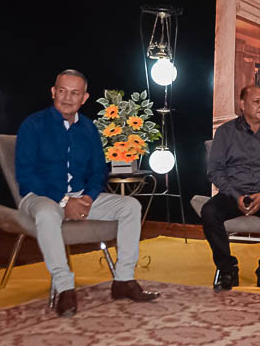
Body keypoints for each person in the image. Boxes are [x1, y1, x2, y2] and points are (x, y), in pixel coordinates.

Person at [16, 69, 160, 318]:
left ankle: (123, 280)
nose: (67, 98)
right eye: (62, 91)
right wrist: (64, 201)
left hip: (81, 196)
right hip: (40, 197)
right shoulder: (33, 124)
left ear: (84, 98)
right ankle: (64, 288)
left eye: (75, 93)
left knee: (130, 206)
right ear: (53, 92)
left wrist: (88, 198)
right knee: (49, 214)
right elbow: (27, 176)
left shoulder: (89, 129)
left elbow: (98, 172)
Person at [202, 84, 260, 293]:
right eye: (257, 102)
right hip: (233, 192)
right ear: (242, 104)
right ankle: (227, 269)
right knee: (209, 211)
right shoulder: (225, 132)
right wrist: (236, 195)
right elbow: (215, 170)